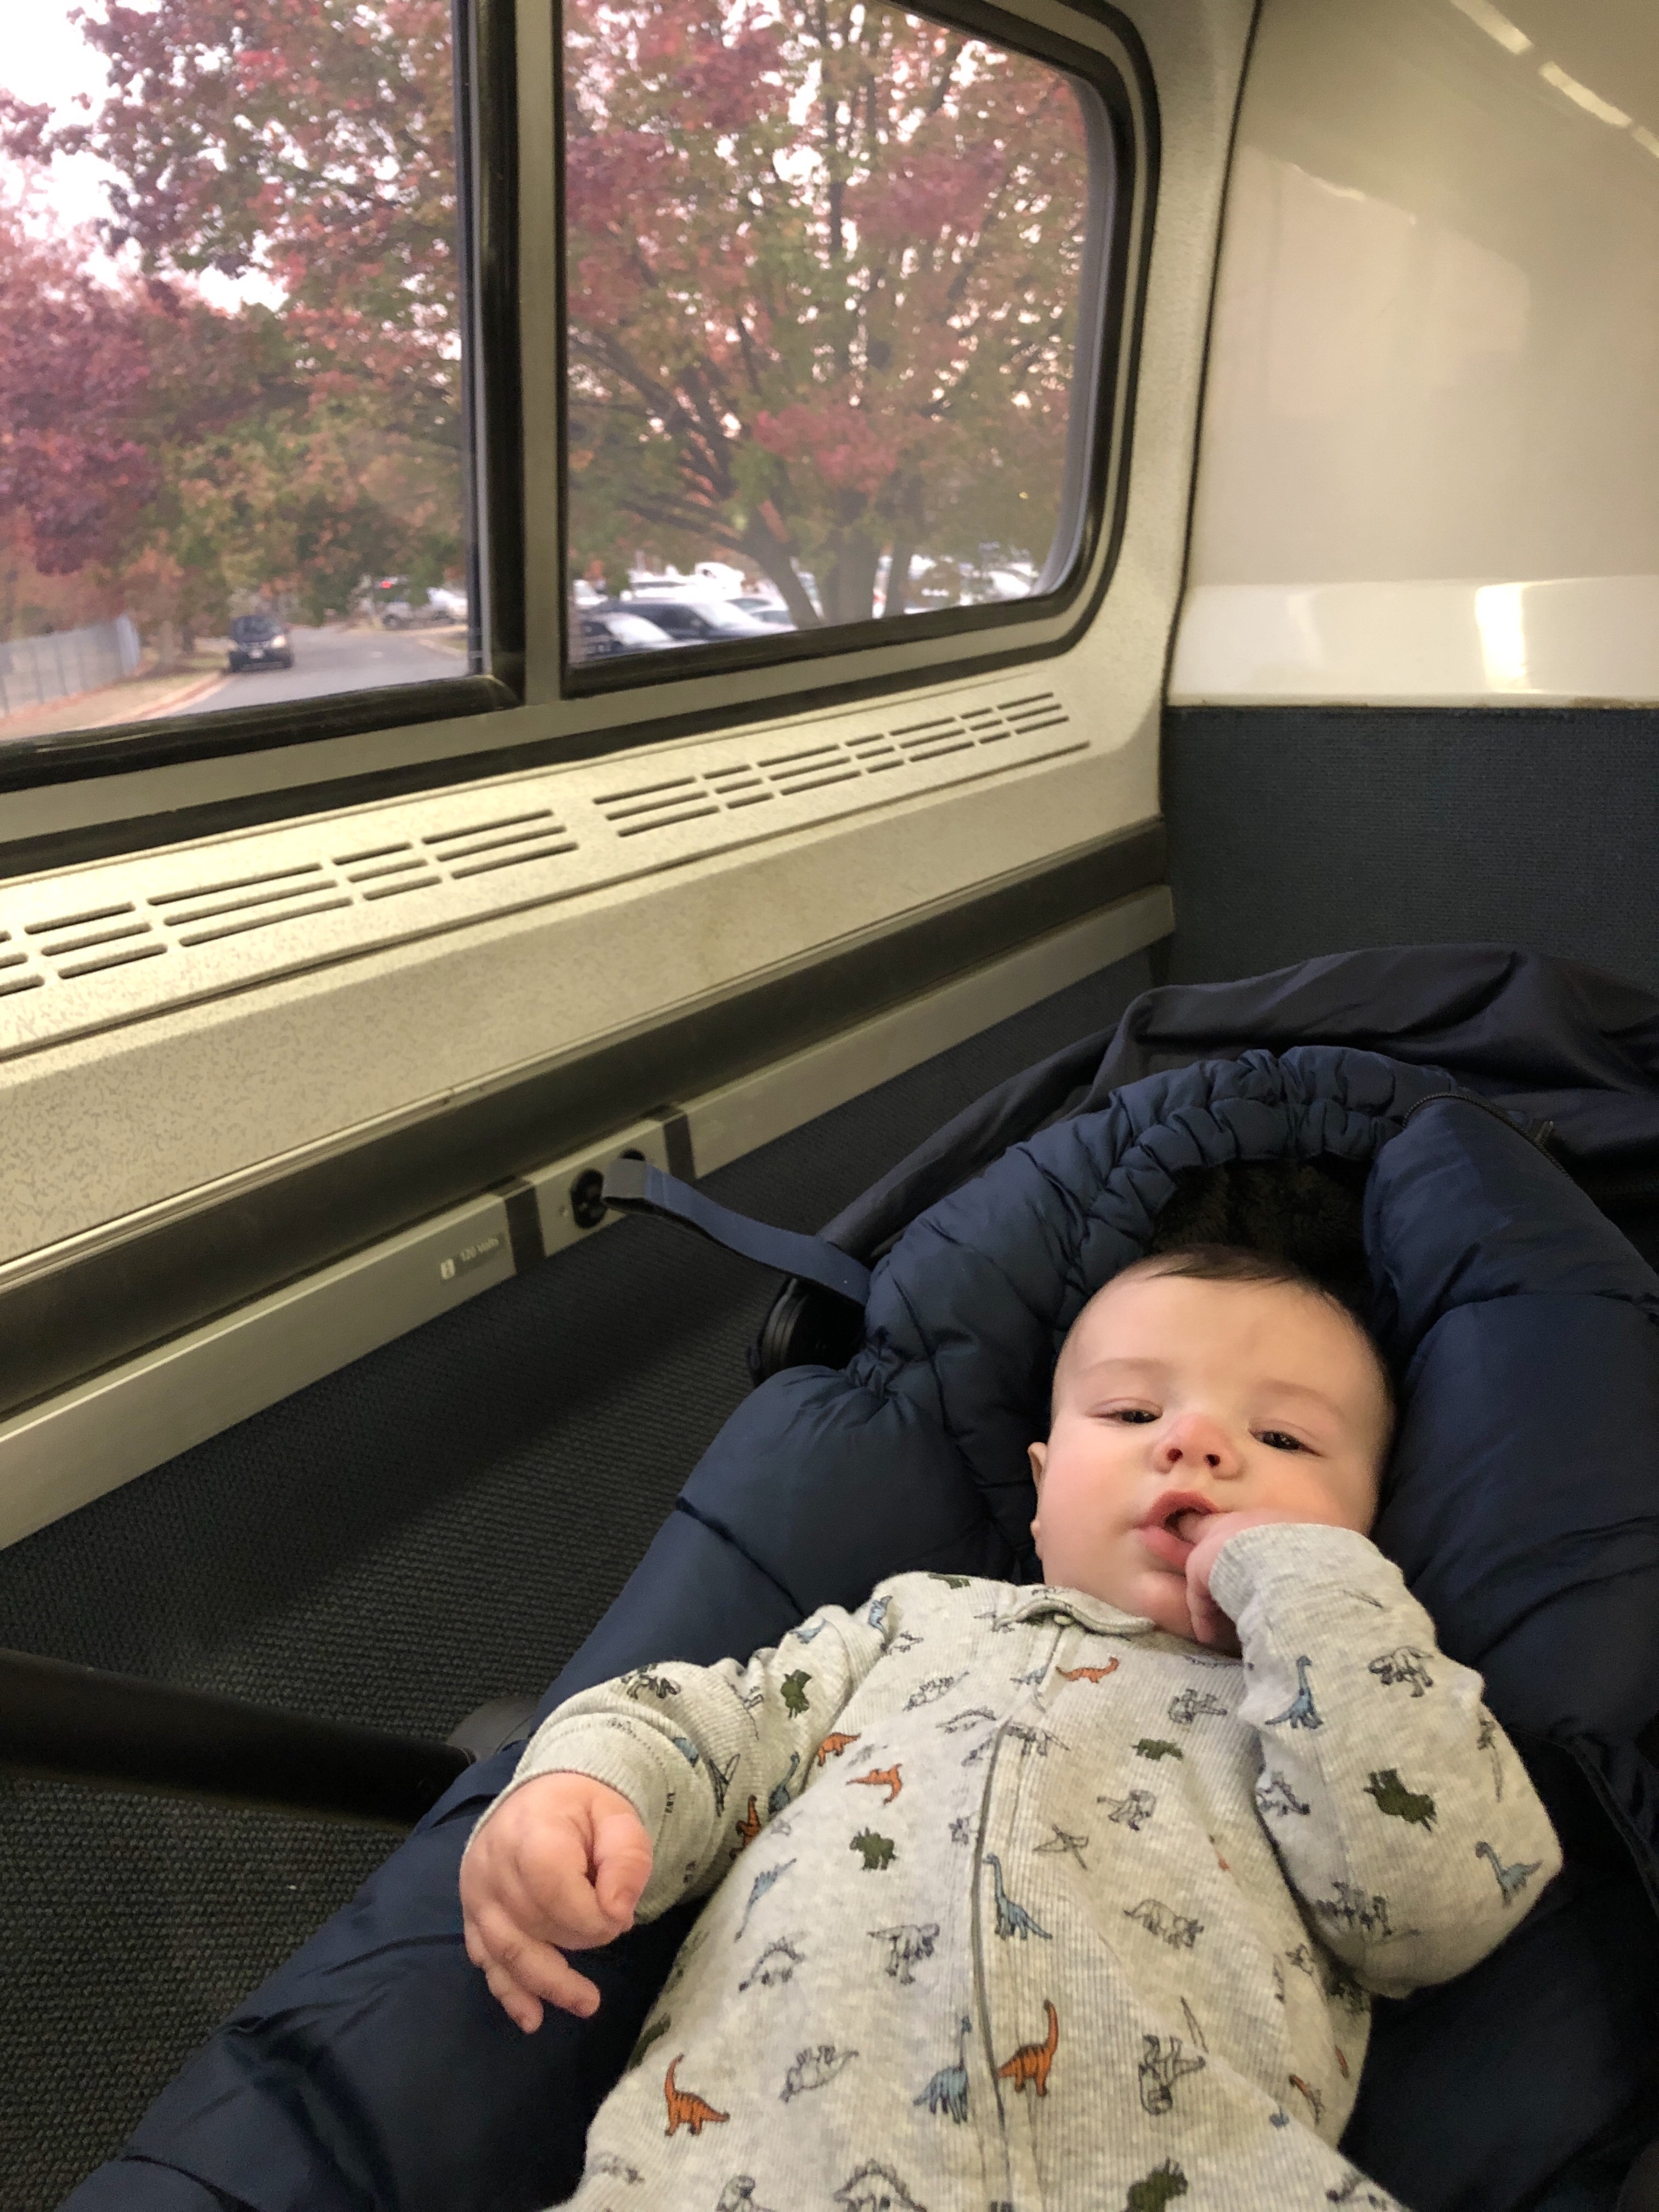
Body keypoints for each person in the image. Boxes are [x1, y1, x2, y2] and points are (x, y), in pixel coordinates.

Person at [460, 1245, 1561, 2211]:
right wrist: (584, 1786)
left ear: (1367, 1526)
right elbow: (714, 1722)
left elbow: (1438, 1901)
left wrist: (1311, 1589)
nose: (1197, 1444)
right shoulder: (905, 1624)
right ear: (1041, 1491)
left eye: (1281, 1437)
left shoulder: (1327, 1703)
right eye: (1133, 1414)